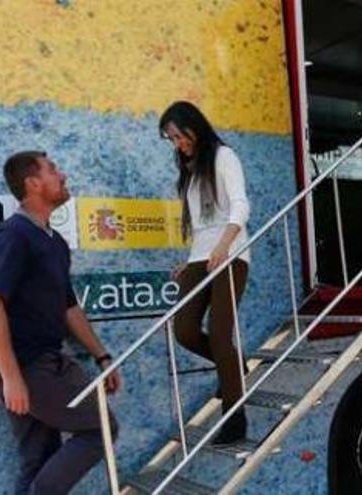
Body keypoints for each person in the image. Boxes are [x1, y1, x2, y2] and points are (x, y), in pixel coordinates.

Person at [0, 151, 121, 495]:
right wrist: (11, 378)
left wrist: (101, 356)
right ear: (33, 183)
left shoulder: (54, 243)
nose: (63, 175)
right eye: (53, 170)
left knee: (38, 458)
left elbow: (68, 307)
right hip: (22, 365)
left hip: (40, 363)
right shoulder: (13, 236)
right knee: (101, 429)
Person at [160, 101, 251, 445]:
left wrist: (224, 246)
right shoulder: (190, 170)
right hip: (201, 257)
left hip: (231, 254)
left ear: (192, 126)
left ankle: (235, 415)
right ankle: (234, 368)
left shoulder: (224, 157)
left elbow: (240, 205)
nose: (176, 143)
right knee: (183, 329)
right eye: (170, 139)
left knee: (218, 331)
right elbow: (202, 224)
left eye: (177, 135)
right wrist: (192, 258)